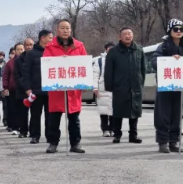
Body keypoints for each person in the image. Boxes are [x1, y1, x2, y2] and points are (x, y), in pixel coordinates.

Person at [43, 20, 87, 154]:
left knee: (74, 119)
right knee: (54, 119)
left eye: (68, 28)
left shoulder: (79, 46)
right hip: (57, 89)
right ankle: (53, 143)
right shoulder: (50, 47)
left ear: (71, 30)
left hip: (73, 89)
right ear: (57, 30)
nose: (65, 30)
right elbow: (46, 65)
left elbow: (84, 65)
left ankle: (75, 143)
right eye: (62, 28)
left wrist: (84, 83)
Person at [154, 19, 183, 153]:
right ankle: (163, 142)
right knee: (163, 115)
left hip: (181, 88)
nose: (178, 31)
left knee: (177, 115)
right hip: (166, 87)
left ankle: (174, 141)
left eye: (181, 29)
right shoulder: (163, 47)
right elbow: (154, 62)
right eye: (175, 29)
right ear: (169, 31)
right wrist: (169, 60)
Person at [104, 27, 145, 144]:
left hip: (135, 86)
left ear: (133, 35)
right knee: (118, 111)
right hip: (119, 86)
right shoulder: (113, 52)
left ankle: (133, 135)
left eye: (129, 34)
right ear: (120, 37)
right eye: (125, 34)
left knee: (135, 112)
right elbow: (108, 71)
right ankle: (117, 134)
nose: (127, 36)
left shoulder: (139, 50)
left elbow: (143, 69)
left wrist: (141, 83)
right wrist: (109, 86)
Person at [22, 29, 51, 144]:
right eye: (50, 37)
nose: (51, 40)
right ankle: (35, 136)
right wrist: (28, 88)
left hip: (50, 89)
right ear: (42, 38)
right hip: (36, 90)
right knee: (35, 115)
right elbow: (26, 72)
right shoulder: (31, 53)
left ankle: (50, 136)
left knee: (51, 115)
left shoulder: (52, 51)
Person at [94, 42, 115, 137]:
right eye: (109, 48)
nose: (111, 50)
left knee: (114, 111)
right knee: (103, 111)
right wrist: (95, 87)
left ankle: (113, 129)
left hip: (115, 88)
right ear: (106, 49)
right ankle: (105, 129)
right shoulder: (99, 61)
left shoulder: (118, 59)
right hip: (102, 89)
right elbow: (95, 75)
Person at [13, 39, 33, 138]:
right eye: (27, 45)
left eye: (31, 45)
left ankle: (33, 132)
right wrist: (26, 87)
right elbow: (17, 76)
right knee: (23, 112)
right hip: (22, 90)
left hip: (35, 89)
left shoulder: (37, 57)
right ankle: (23, 131)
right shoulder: (18, 60)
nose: (29, 47)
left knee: (35, 113)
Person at [4, 43, 24, 134]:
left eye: (22, 49)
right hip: (13, 88)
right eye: (18, 49)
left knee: (23, 109)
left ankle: (23, 127)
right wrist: (6, 87)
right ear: (15, 51)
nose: (20, 51)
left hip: (25, 88)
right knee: (14, 108)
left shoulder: (27, 60)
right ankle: (15, 126)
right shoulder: (10, 62)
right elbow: (6, 76)